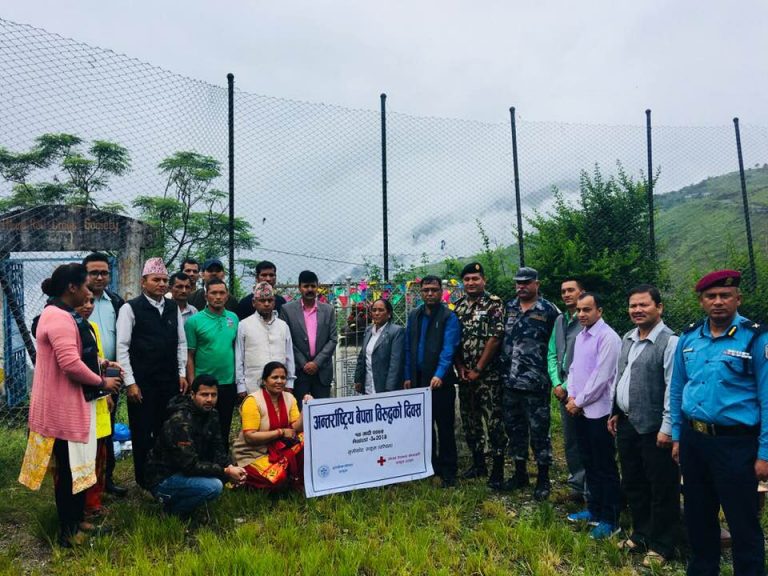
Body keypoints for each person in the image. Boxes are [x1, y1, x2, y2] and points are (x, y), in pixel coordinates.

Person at [670, 270, 768, 576]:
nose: (718, 302)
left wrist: (765, 453)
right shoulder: (688, 338)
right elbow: (677, 389)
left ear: (738, 299)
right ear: (701, 301)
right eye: (710, 296)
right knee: (698, 515)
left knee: (742, 521)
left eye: (725, 296)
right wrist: (677, 436)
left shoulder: (755, 338)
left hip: (736, 444)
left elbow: (767, 397)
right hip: (694, 441)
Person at [18, 264, 120, 547]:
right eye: (86, 286)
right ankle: (68, 532)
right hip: (61, 410)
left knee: (78, 467)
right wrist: (102, 382)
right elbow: (71, 364)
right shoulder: (59, 318)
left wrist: (102, 363)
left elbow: (78, 354)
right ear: (72, 287)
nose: (90, 291)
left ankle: (78, 521)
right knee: (69, 473)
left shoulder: (62, 313)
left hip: (70, 406)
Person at [607, 284, 680, 566]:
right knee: (634, 482)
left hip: (655, 428)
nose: (637, 310)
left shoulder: (670, 342)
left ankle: (663, 544)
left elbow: (673, 388)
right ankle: (641, 534)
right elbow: (621, 377)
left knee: (662, 487)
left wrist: (667, 427)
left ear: (659, 307)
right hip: (627, 423)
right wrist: (615, 411)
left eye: (644, 305)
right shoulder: (628, 338)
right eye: (633, 305)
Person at [116, 257, 188, 488]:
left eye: (165, 280)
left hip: (169, 381)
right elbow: (122, 347)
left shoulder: (172, 307)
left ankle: (165, 477)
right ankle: (144, 480)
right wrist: (130, 383)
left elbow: (181, 342)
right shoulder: (130, 308)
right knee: (142, 431)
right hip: (142, 383)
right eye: (156, 279)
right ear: (143, 282)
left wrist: (181, 373)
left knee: (167, 429)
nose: (161, 284)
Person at [144, 375, 247, 518]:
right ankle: (171, 512)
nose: (209, 399)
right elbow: (190, 465)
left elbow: (218, 448)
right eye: (204, 395)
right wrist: (226, 472)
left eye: (213, 395)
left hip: (185, 470)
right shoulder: (181, 421)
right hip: (163, 477)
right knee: (214, 486)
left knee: (226, 474)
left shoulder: (212, 414)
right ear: (192, 395)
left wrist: (230, 467)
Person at [565, 292, 622, 540]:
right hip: (579, 409)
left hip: (599, 412)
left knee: (604, 465)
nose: (581, 314)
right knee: (588, 461)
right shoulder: (581, 336)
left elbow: (602, 376)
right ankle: (594, 510)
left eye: (587, 309)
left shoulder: (608, 338)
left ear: (599, 311)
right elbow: (574, 368)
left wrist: (579, 401)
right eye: (579, 310)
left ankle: (611, 518)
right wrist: (571, 395)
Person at [501, 267, 559, 500]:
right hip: (510, 381)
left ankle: (543, 478)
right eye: (518, 283)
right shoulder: (508, 308)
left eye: (526, 282)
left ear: (537, 284)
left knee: (539, 431)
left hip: (536, 383)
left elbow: (557, 346)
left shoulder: (549, 311)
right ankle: (520, 473)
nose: (521, 286)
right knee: (514, 429)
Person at [452, 263, 507, 487]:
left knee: (494, 421)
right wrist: (460, 367)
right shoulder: (457, 307)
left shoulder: (494, 304)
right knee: (470, 420)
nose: (471, 283)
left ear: (484, 280)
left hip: (489, 375)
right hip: (465, 376)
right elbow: (453, 341)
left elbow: (496, 337)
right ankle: (478, 464)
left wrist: (478, 369)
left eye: (475, 278)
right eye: (467, 279)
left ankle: (498, 468)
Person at [404, 275, 461, 487]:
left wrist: (439, 373)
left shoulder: (449, 317)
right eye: (426, 290)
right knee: (424, 427)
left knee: (444, 427)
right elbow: (408, 347)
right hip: (418, 381)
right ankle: (429, 466)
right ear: (420, 292)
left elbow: (449, 348)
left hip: (440, 382)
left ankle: (449, 471)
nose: (430, 294)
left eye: (434, 290)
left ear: (441, 292)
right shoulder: (414, 315)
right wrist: (408, 376)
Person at [82, 252, 128, 497]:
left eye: (104, 273)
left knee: (107, 427)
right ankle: (85, 482)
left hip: (110, 374)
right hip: (84, 375)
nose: (100, 277)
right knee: (86, 430)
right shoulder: (74, 302)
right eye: (94, 273)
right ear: (84, 275)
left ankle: (105, 478)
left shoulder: (116, 302)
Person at [232, 362, 309, 491]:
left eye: (283, 378)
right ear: (264, 381)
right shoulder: (253, 401)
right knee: (277, 479)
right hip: (253, 454)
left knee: (305, 438)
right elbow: (250, 437)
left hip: (280, 449)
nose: (279, 381)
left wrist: (306, 408)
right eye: (274, 377)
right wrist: (280, 432)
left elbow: (296, 428)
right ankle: (242, 478)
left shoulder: (289, 398)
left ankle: (295, 476)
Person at [185, 278, 239, 445]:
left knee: (224, 428)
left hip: (227, 383)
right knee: (201, 429)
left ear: (227, 296)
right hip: (204, 385)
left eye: (222, 293)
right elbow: (190, 355)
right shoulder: (193, 321)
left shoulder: (233, 318)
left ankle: (222, 458)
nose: (218, 297)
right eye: (213, 293)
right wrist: (193, 384)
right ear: (206, 296)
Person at [548, 277, 588, 500]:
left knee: (587, 439)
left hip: (582, 390)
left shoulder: (587, 320)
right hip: (563, 392)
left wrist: (564, 386)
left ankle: (591, 487)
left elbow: (585, 361)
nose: (566, 294)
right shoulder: (559, 320)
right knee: (570, 439)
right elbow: (552, 353)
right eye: (563, 291)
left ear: (582, 292)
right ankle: (577, 485)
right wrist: (556, 382)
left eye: (571, 290)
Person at [279, 270, 338, 403]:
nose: (310, 289)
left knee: (322, 410)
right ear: (299, 287)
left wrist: (316, 363)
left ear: (317, 287)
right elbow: (286, 340)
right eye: (306, 286)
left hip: (322, 371)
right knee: (299, 411)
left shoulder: (328, 310)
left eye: (313, 286)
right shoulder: (287, 310)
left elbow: (333, 339)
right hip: (299, 371)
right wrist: (304, 363)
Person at [236, 282, 296, 396]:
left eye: (270, 300)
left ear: (274, 302)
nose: (267, 304)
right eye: (262, 300)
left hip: (280, 384)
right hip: (253, 384)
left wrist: (290, 383)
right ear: (254, 302)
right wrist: (241, 386)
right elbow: (239, 357)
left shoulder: (283, 326)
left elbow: (289, 356)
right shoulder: (244, 325)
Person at [354, 298, 405, 394]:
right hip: (368, 386)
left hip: (385, 388)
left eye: (381, 310)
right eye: (374, 310)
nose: (377, 313)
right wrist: (358, 379)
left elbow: (395, 364)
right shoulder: (368, 331)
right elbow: (362, 357)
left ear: (389, 314)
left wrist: (389, 389)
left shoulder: (396, 331)